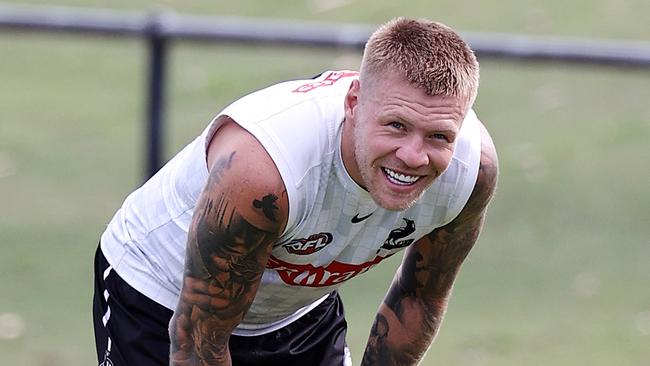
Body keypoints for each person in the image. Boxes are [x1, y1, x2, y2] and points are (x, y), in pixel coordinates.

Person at [93, 16, 498, 366]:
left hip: (295, 309)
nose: (413, 156)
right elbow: (200, 340)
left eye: (438, 136)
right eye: (395, 125)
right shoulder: (264, 174)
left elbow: (420, 298)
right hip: (161, 294)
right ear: (354, 103)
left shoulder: (469, 173)